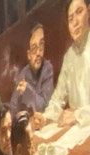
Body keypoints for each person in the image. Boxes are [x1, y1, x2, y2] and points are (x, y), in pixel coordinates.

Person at [37, 0, 90, 129]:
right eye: (70, 19)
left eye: (79, 12)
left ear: (89, 11)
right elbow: (58, 98)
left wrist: (76, 116)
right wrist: (45, 118)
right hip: (78, 131)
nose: (75, 22)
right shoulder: (69, 57)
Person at [10, 24, 55, 117]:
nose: (38, 53)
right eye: (34, 48)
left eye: (41, 45)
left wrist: (28, 92)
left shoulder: (47, 69)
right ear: (29, 55)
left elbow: (47, 106)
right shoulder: (23, 75)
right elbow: (13, 108)